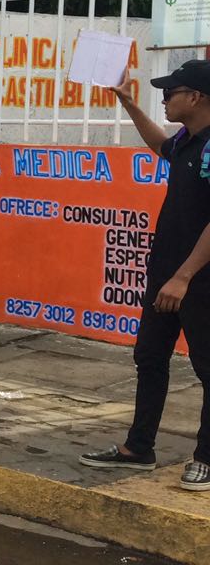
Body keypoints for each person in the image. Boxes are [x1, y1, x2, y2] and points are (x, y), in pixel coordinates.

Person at [80, 60, 210, 492]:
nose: (166, 98)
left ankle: (205, 458)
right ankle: (139, 449)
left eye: (171, 92)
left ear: (196, 97)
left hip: (199, 279)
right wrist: (129, 104)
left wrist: (184, 276)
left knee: (207, 367)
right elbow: (160, 146)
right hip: (167, 275)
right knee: (150, 358)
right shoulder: (187, 141)